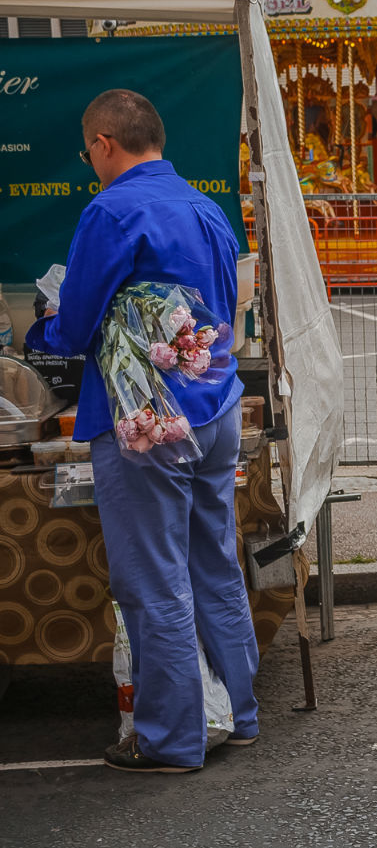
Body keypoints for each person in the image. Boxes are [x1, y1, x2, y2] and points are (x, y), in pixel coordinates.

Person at [25, 89, 259, 772]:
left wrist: (45, 320)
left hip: (146, 422)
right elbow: (223, 308)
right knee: (215, 565)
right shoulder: (206, 206)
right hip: (214, 409)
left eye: (86, 148)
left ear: (103, 143)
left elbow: (73, 327)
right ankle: (240, 714)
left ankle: (173, 738)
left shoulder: (111, 209)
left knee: (153, 580)